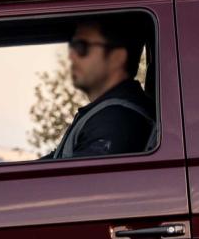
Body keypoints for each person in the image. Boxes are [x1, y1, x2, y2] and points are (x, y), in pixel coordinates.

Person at [48, 15, 155, 158]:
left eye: (81, 47)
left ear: (117, 58)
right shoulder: (106, 114)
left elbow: (79, 179)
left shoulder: (116, 121)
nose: (71, 56)